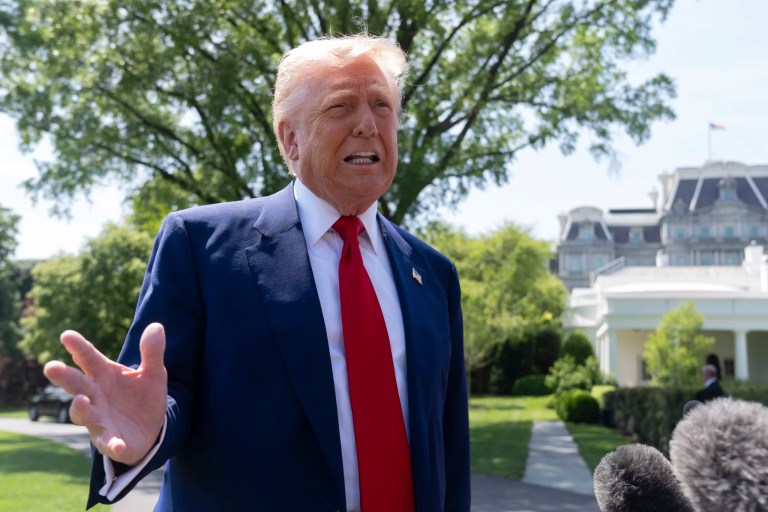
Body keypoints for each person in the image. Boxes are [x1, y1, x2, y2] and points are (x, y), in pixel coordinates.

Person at [43, 35, 470, 511]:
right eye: (340, 107)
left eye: (382, 106)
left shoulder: (432, 273)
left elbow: (449, 444)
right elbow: (161, 393)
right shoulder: (200, 244)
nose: (368, 125)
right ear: (291, 137)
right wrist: (149, 433)